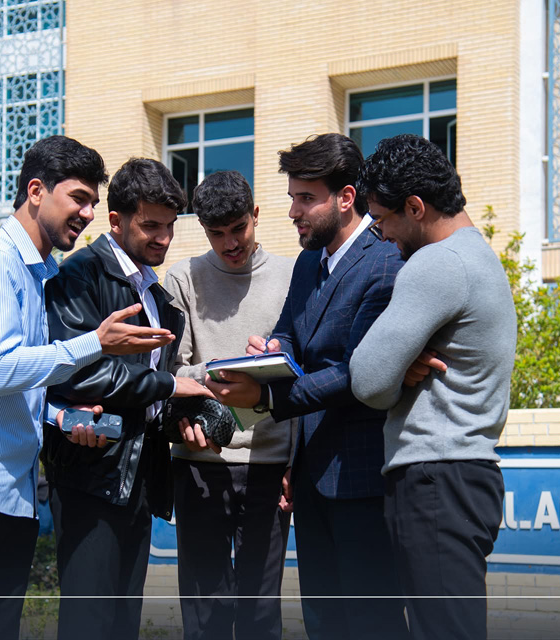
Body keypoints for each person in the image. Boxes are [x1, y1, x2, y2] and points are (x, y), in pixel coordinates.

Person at [0, 136, 173, 640]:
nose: (88, 214)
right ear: (36, 191)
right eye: (79, 198)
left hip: (13, 495)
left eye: (93, 202)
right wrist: (95, 343)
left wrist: (61, 418)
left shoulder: (39, 276)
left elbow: (19, 386)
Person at [207, 133, 417, 640]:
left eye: (306, 198)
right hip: (311, 476)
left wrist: (267, 396)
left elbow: (357, 373)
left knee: (373, 626)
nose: (293, 212)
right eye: (292, 198)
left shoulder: (386, 262)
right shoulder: (308, 262)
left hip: (364, 481)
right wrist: (268, 352)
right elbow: (290, 334)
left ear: (346, 198)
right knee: (324, 623)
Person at [350, 134, 518, 640]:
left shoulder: (437, 262)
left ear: (415, 207)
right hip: (463, 476)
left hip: (434, 481)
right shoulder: (479, 256)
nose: (381, 235)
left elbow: (367, 380)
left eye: (380, 219)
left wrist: (395, 372)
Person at [41, 157, 214, 640]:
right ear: (116, 221)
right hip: (90, 477)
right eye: (151, 226)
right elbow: (78, 373)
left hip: (138, 479)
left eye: (170, 226)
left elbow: (151, 386)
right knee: (89, 624)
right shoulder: (79, 275)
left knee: (122, 625)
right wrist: (169, 386)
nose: (164, 238)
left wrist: (187, 407)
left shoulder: (155, 293)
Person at [163, 170, 296, 640]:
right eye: (216, 233)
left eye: (238, 228)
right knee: (206, 613)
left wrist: (295, 461)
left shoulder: (292, 276)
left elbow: (305, 378)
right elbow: (169, 372)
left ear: (255, 215)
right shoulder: (182, 278)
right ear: (202, 228)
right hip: (200, 462)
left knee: (261, 613)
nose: (230, 243)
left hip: (270, 464)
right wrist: (223, 370)